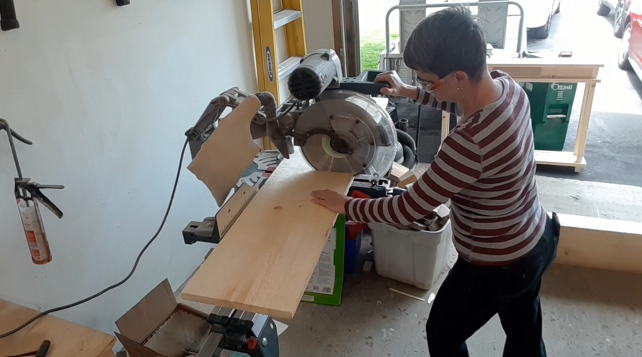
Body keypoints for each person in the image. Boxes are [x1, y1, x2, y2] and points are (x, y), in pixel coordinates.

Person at [310, 5, 561, 357]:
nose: (425, 86)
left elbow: (407, 209)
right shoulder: (507, 88)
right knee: (524, 329)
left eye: (428, 81)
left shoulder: (467, 143)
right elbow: (461, 103)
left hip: (495, 263)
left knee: (442, 332)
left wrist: (347, 205)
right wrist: (410, 92)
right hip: (535, 240)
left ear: (459, 77)